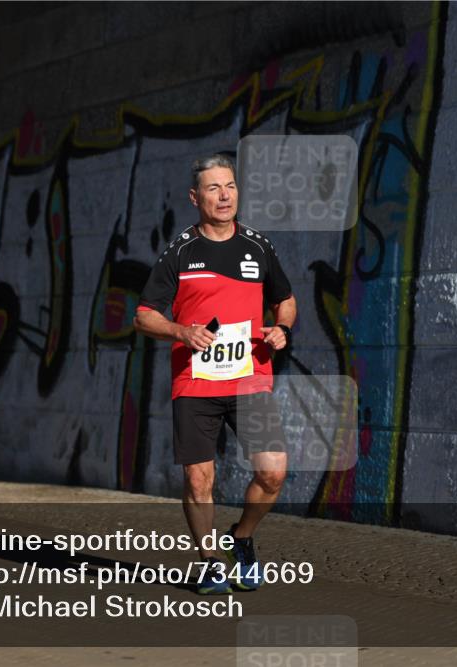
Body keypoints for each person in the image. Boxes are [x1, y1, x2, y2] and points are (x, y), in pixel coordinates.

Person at [134, 153, 297, 594]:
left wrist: (282, 328)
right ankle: (208, 560)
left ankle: (241, 540)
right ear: (195, 197)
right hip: (195, 382)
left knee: (273, 472)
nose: (224, 196)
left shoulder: (258, 246)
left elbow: (285, 300)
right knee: (199, 478)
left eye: (229, 186)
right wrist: (180, 331)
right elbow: (143, 315)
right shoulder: (181, 251)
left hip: (251, 379)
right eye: (213, 188)